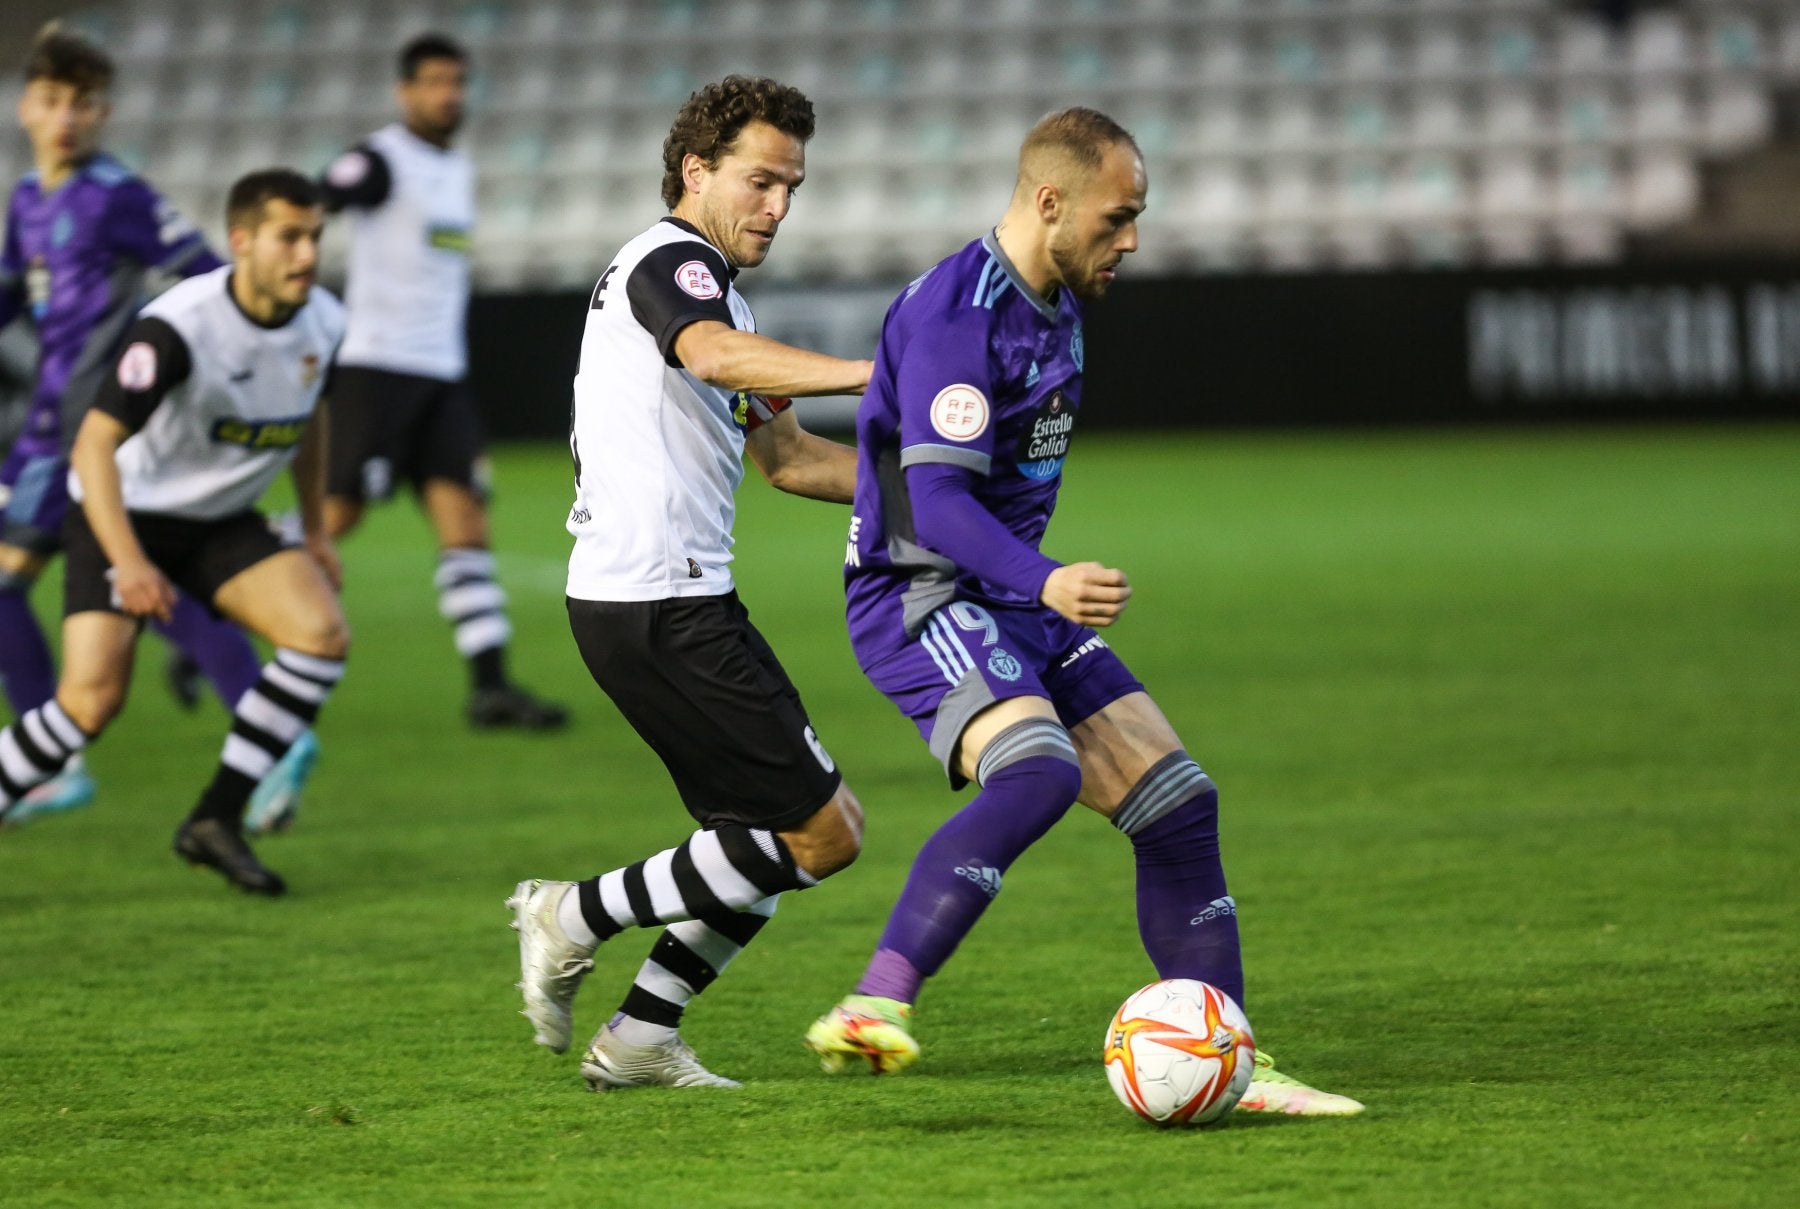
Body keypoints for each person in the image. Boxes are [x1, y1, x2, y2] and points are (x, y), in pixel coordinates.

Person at [802, 108, 1364, 1116]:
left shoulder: (1055, 299)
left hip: (1013, 597)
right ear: (1050, 202)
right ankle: (872, 1002)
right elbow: (935, 506)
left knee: (1181, 804)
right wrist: (1049, 579)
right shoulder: (954, 313)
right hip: (921, 592)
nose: (1133, 240)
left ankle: (1229, 1058)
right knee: (1039, 772)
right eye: (1118, 218)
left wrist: (1036, 588)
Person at [508, 75, 874, 1091]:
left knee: (759, 838)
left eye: (792, 188)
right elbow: (712, 356)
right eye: (760, 182)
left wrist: (945, 483)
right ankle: (566, 914)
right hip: (658, 604)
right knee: (826, 832)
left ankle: (637, 1042)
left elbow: (794, 462)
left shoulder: (718, 292)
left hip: (661, 601)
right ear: (695, 170)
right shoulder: (672, 266)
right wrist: (872, 372)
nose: (778, 208)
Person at [0, 26, 317, 833]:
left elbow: (216, 274)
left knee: (69, 576)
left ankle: (49, 761)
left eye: (83, 103)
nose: (66, 117)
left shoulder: (118, 196)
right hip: (45, 423)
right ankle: (260, 727)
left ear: (103, 112)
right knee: (158, 577)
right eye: (52, 101)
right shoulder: (28, 200)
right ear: (26, 107)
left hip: (98, 425)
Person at [313, 32, 563, 730]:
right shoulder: (380, 162)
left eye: (456, 82)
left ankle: (491, 687)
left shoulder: (454, 168)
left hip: (440, 375)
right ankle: (211, 611)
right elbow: (313, 201)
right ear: (406, 92)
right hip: (377, 370)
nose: (447, 95)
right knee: (334, 519)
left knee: (466, 524)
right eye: (433, 83)